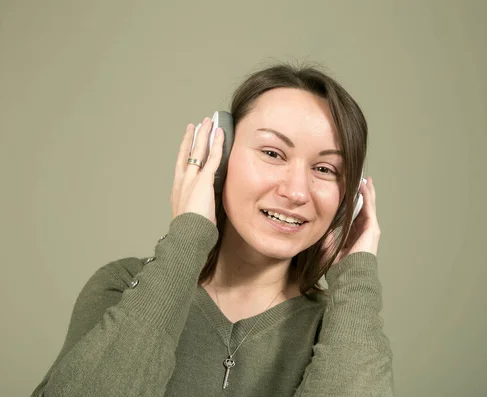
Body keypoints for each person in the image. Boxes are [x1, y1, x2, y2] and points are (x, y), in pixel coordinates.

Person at [31, 63, 394, 396]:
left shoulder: (343, 326)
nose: (296, 192)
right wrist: (188, 236)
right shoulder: (121, 285)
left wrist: (356, 279)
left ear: (348, 199)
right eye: (272, 153)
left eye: (326, 169)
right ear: (219, 157)